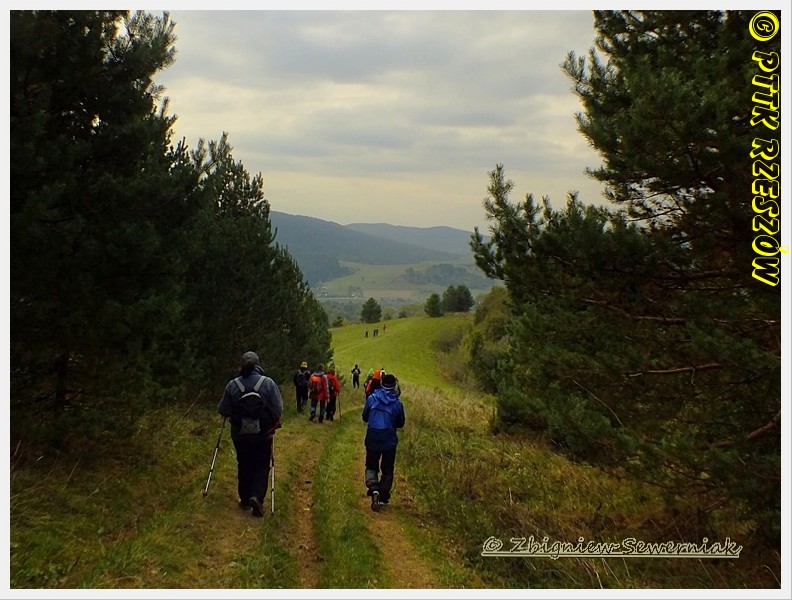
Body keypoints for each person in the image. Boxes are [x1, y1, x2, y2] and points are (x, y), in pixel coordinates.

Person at [217, 351, 283, 518]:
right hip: (263, 434)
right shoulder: (268, 383)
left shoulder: (233, 385)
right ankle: (257, 497)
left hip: (240, 435)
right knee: (262, 465)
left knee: (244, 464)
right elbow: (278, 409)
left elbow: (223, 410)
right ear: (258, 365)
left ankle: (245, 498)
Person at [362, 373, 405, 512]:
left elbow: (365, 417)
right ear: (394, 386)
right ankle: (383, 493)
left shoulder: (372, 398)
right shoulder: (398, 404)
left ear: (381, 383)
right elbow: (400, 423)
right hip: (389, 439)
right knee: (387, 468)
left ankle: (374, 488)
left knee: (371, 465)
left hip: (373, 436)